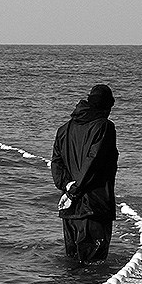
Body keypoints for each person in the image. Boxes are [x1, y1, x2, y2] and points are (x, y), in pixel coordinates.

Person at [50, 84, 119, 264]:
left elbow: (56, 163)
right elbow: (93, 162)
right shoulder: (105, 127)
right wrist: (74, 191)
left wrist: (66, 187)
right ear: (107, 106)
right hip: (94, 207)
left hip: (69, 209)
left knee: (73, 265)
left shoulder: (64, 129)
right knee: (93, 266)